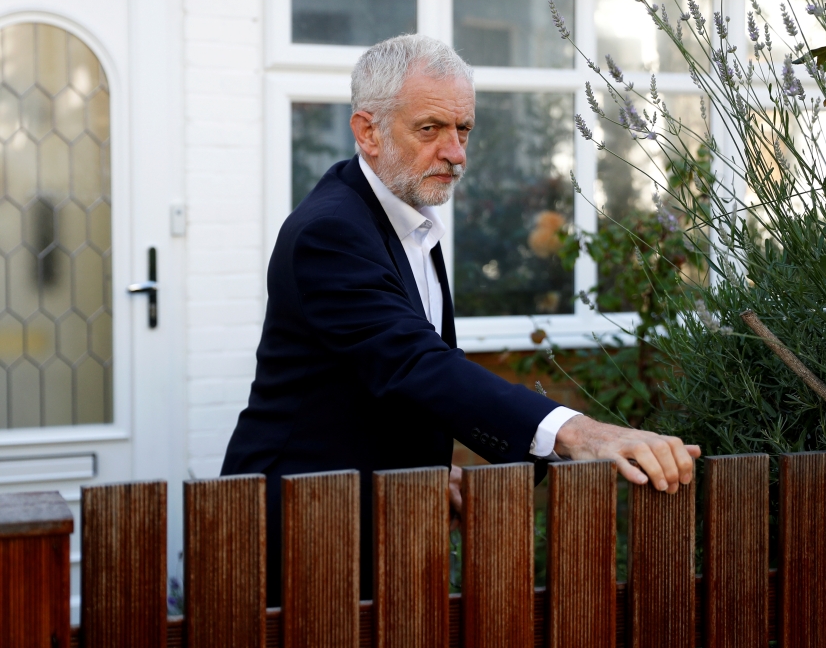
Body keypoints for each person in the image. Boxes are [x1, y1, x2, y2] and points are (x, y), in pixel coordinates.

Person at [221, 34, 700, 605]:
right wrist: (578, 432)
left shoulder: (407, 216)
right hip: (299, 526)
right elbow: (412, 363)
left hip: (374, 515)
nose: (456, 153)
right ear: (368, 132)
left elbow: (386, 377)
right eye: (430, 129)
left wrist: (427, 465)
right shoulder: (331, 232)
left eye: (463, 129)